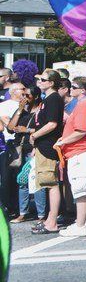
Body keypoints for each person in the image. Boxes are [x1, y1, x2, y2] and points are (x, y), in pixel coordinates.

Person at [53, 77, 86, 236]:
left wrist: (63, 141)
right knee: (85, 189)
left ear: (82, 90)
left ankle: (80, 225)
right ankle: (84, 222)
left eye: (73, 87)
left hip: (82, 151)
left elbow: (81, 131)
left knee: (81, 189)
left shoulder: (82, 105)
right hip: (85, 151)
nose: (70, 89)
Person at [30, 70, 66, 235]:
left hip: (48, 145)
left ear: (51, 83)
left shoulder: (53, 99)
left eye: (43, 80)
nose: (39, 82)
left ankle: (52, 221)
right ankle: (49, 218)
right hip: (41, 145)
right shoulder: (47, 99)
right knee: (46, 183)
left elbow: (52, 124)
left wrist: (35, 135)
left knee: (51, 183)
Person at [8, 85, 47, 223]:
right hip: (21, 149)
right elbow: (10, 128)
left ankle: (41, 215)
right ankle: (22, 212)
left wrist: (27, 130)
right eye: (23, 95)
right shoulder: (22, 112)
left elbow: (45, 128)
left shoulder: (41, 111)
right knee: (22, 181)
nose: (24, 98)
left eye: (28, 95)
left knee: (36, 181)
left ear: (36, 97)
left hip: (35, 149)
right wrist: (19, 110)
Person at [0, 77, 24, 216]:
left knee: (19, 178)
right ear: (14, 92)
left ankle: (20, 206)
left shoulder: (28, 105)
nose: (25, 91)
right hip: (10, 145)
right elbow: (10, 125)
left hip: (25, 144)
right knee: (7, 177)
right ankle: (8, 206)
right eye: (22, 89)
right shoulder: (5, 105)